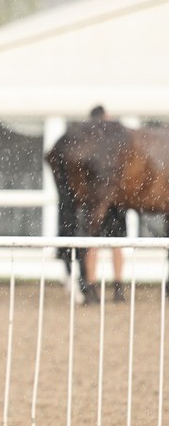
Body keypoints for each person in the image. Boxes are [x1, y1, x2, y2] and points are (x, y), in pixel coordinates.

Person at [82, 106, 127, 304]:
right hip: (107, 200)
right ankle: (112, 288)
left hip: (104, 200)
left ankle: (99, 288)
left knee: (102, 243)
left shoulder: (91, 143)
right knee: (104, 243)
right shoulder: (109, 143)